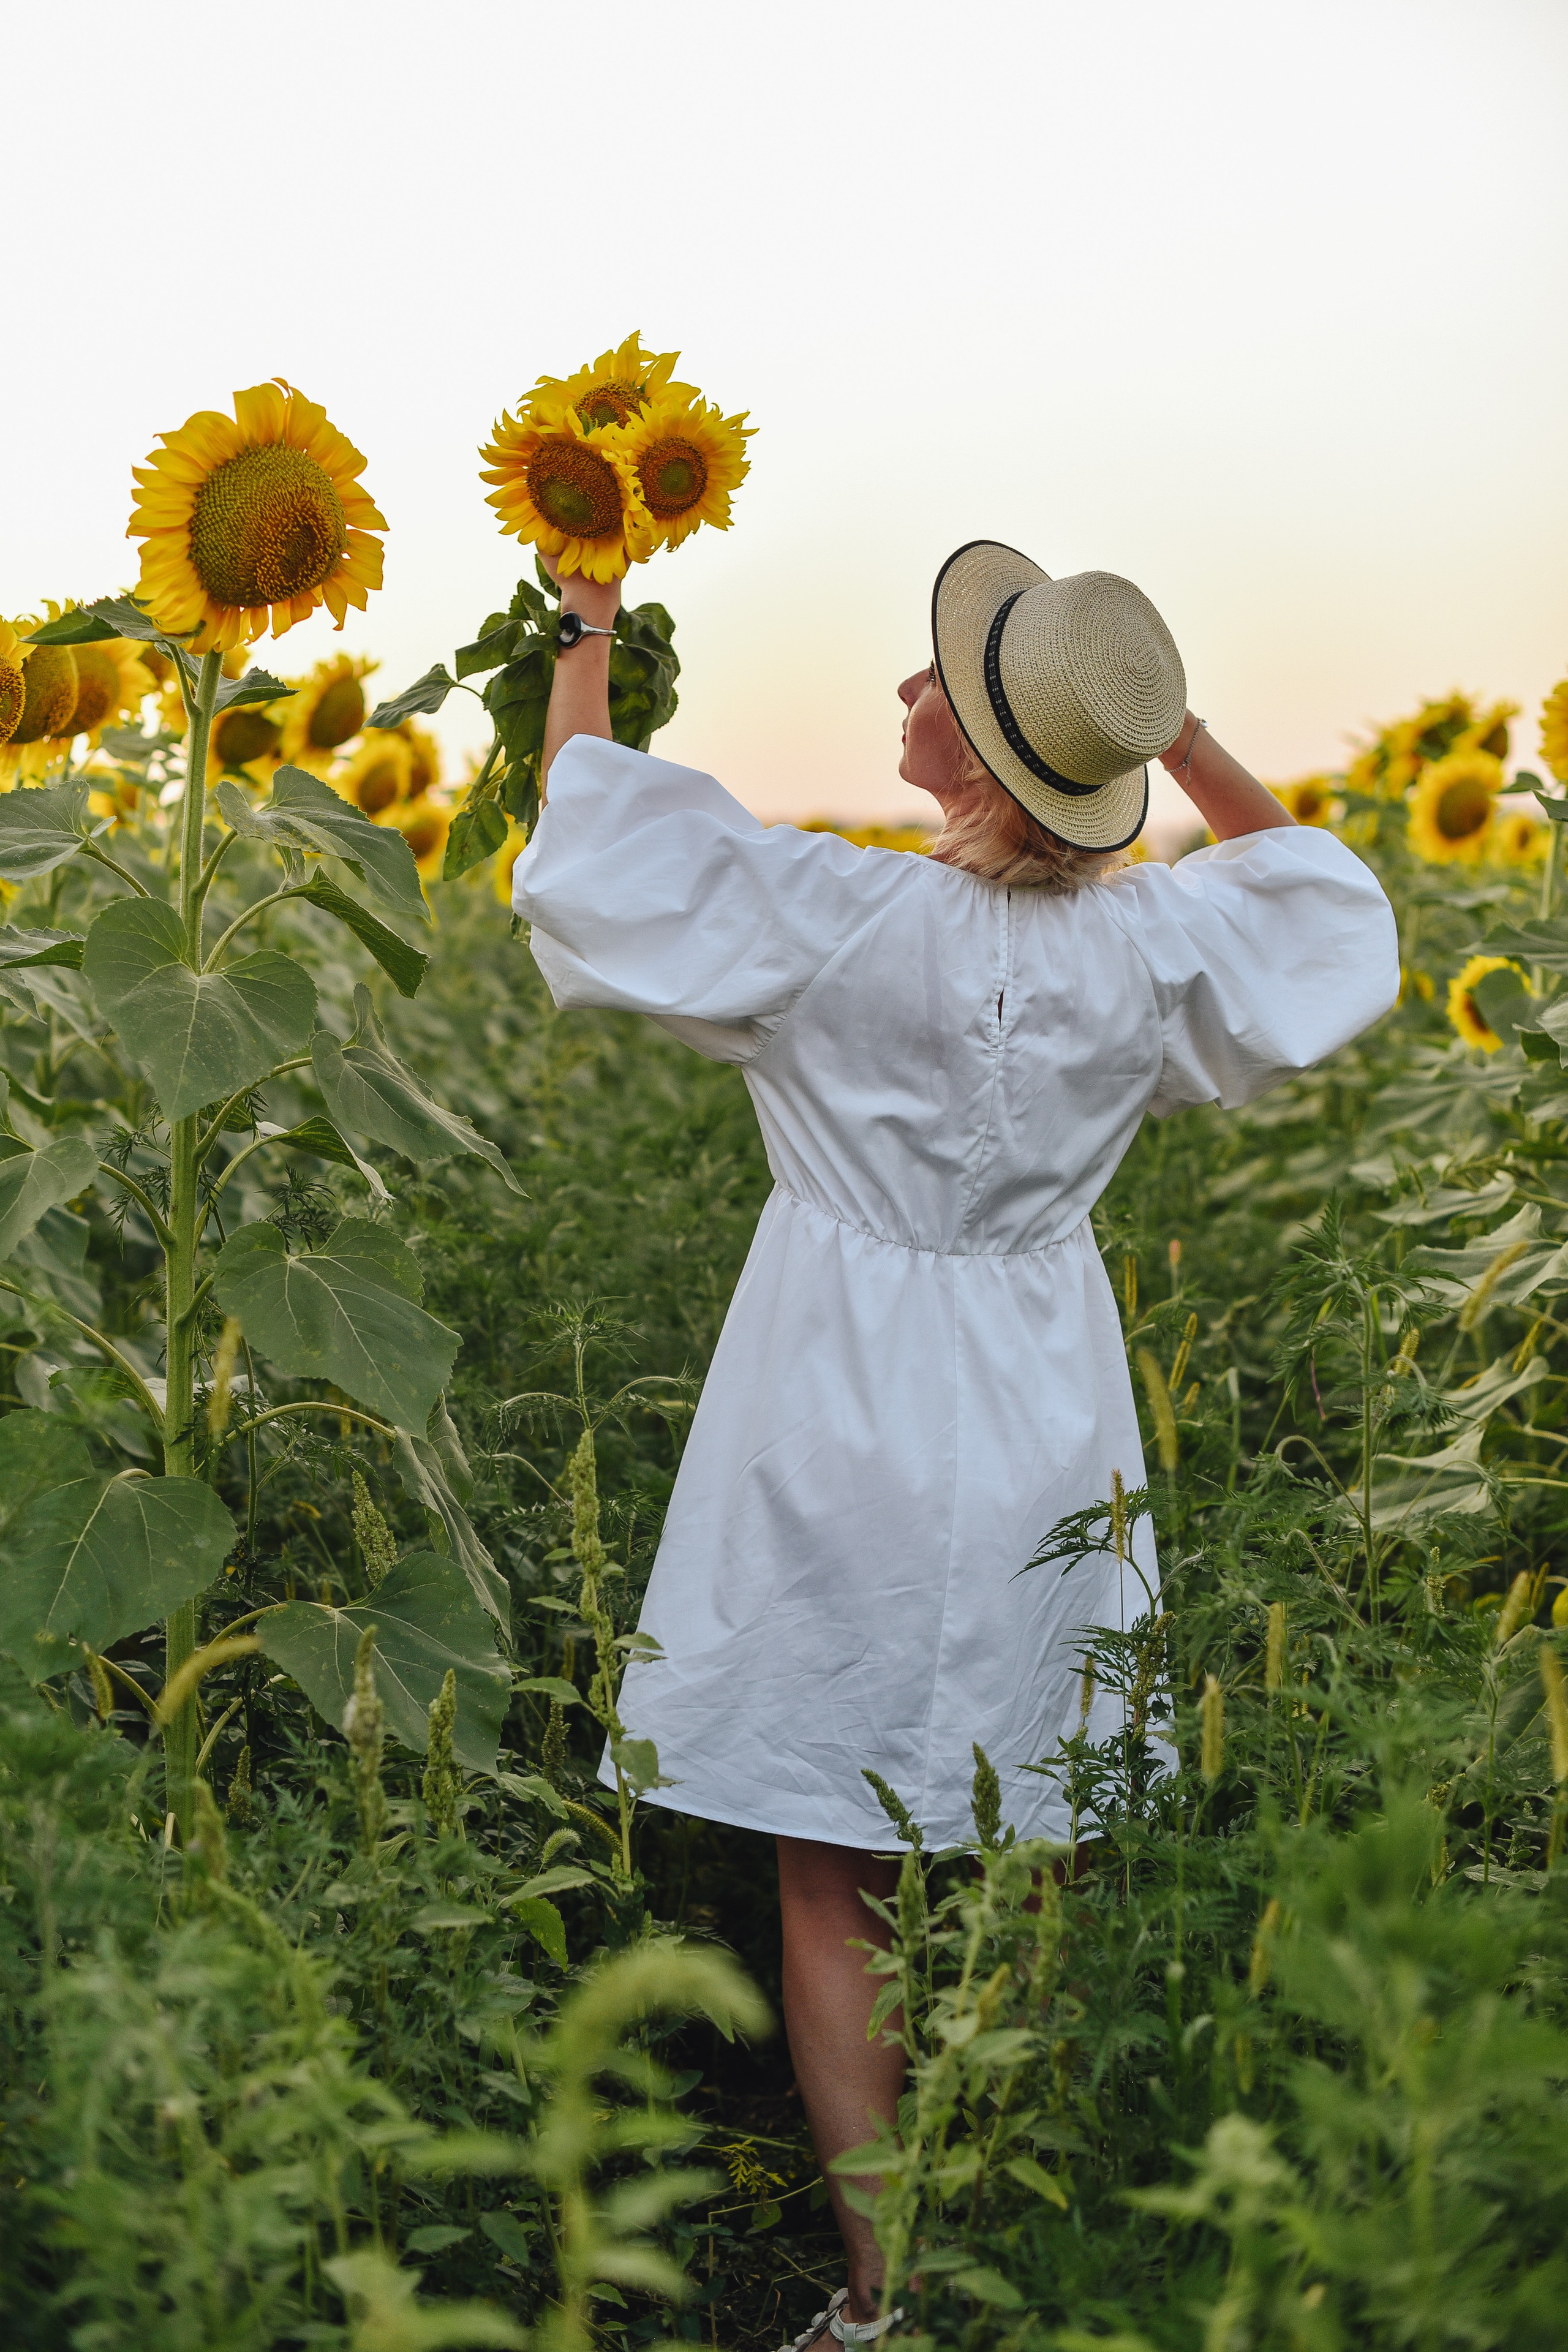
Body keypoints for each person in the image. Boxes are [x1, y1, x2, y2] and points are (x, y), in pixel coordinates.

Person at [513, 542, 1398, 2346]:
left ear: (983, 765)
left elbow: (589, 837)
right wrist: (1174, 730)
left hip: (835, 1400)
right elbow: (1318, 897)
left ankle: (883, 2295)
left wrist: (587, 627)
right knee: (1037, 1829)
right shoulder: (1153, 943)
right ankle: (1034, 2231)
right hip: (1042, 1402)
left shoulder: (831, 916)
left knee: (831, 1865)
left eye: (946, 686)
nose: (908, 694)